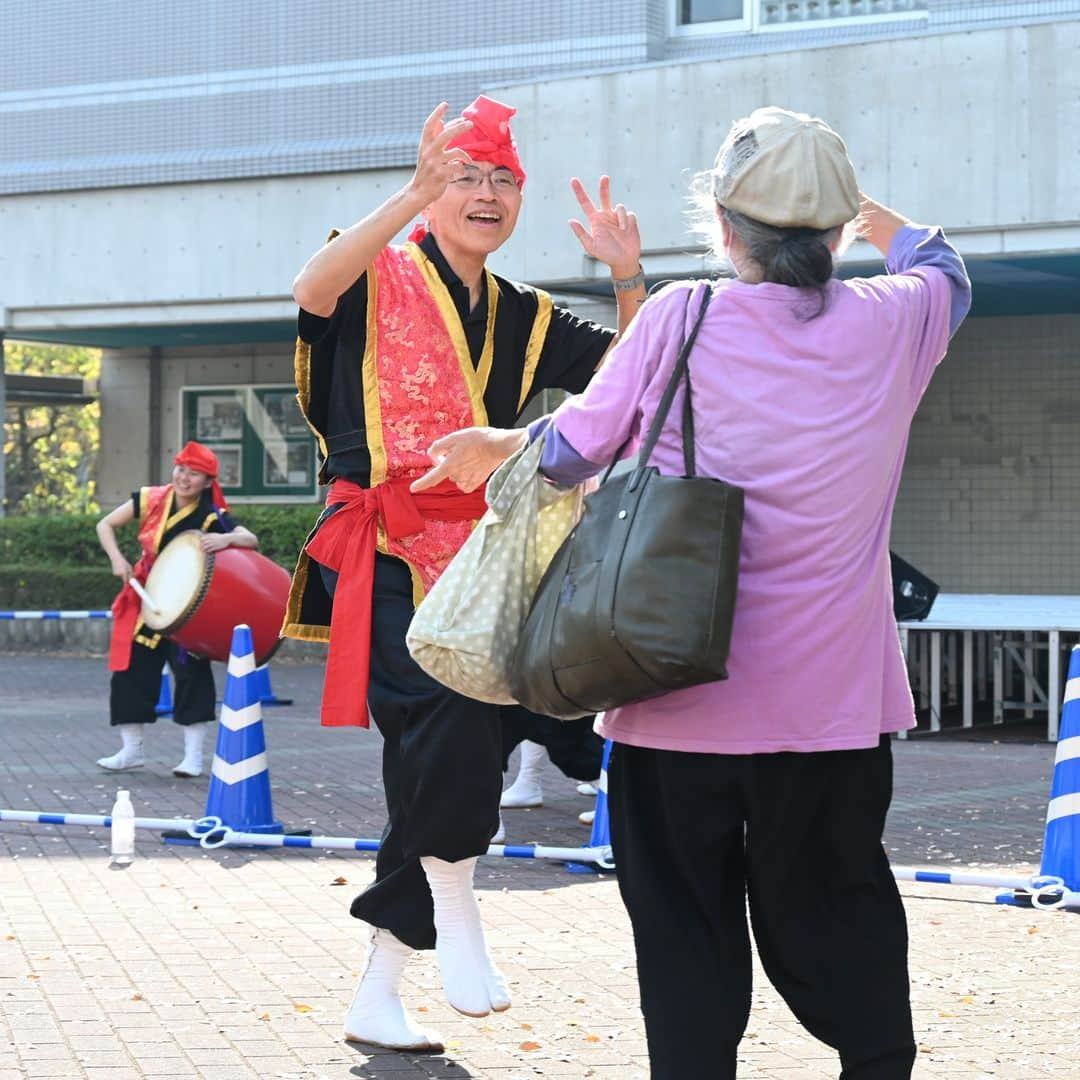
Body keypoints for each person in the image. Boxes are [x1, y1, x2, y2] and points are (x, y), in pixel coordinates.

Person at [436, 107, 971, 1079]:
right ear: (843, 227)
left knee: (684, 939)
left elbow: (571, 453)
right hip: (834, 713)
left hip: (670, 689)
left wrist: (493, 448)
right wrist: (854, 207)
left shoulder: (682, 315)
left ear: (723, 226)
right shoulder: (900, 319)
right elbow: (945, 263)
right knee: (843, 908)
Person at [280, 95, 645, 1052]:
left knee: (460, 748)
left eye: (502, 180)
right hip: (389, 545)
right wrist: (410, 192)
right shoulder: (377, 272)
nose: (484, 194)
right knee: (448, 718)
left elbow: (630, 387)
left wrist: (627, 277)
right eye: (466, 176)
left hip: (488, 559)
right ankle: (455, 895)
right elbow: (312, 289)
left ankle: (384, 981)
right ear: (435, 188)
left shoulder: (525, 314)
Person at [96, 441, 258, 777]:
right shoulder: (151, 498)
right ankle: (131, 750)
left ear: (208, 481)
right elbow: (105, 525)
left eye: (194, 473)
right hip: (147, 599)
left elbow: (250, 539)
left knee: (190, 675)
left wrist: (226, 540)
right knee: (130, 672)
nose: (184, 478)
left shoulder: (212, 515)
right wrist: (117, 558)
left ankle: (193, 757)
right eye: (181, 469)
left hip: (188, 608)